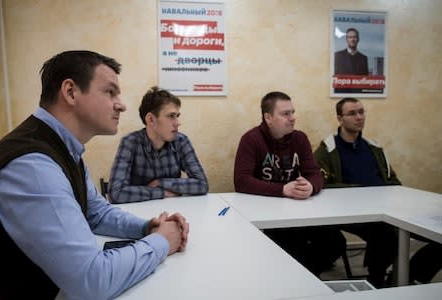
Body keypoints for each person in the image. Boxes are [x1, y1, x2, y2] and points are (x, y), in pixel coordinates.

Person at [0, 50, 189, 300]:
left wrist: (147, 227)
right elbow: (92, 281)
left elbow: (96, 212)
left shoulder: (63, 149)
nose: (122, 104)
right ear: (70, 92)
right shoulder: (32, 165)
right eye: (110, 92)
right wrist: (161, 241)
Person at [234, 91, 346, 277]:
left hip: (297, 213)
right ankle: (300, 281)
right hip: (265, 216)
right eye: (286, 114)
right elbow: (242, 181)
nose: (293, 118)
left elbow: (315, 174)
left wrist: (311, 186)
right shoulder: (251, 139)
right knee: (294, 250)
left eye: (293, 112)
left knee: (336, 243)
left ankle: (306, 279)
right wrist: (283, 190)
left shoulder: (299, 139)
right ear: (268, 117)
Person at [314, 97, 399, 288]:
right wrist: (357, 191)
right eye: (352, 113)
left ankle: (393, 277)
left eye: (361, 112)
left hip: (381, 209)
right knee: (386, 234)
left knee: (396, 232)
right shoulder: (327, 150)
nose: (359, 117)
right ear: (339, 118)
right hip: (347, 212)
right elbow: (320, 185)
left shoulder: (374, 148)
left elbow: (393, 181)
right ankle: (376, 279)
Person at [108, 86, 208, 203]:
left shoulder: (181, 141)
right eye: (171, 116)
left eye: (177, 116)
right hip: (139, 213)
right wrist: (161, 193)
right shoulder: (130, 142)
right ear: (151, 119)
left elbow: (202, 184)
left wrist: (161, 182)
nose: (177, 123)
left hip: (173, 210)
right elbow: (116, 193)